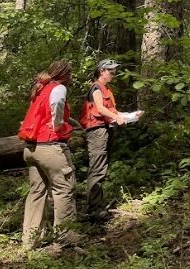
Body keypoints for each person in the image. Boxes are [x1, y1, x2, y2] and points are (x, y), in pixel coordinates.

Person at [19, 60, 80, 250]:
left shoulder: (41, 89)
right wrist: (59, 124)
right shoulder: (58, 88)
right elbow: (57, 104)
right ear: (64, 74)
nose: (71, 77)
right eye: (69, 74)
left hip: (31, 148)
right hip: (50, 147)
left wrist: (68, 119)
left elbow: (43, 111)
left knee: (36, 192)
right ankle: (65, 239)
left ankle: (30, 241)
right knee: (64, 189)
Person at [80, 59, 136, 221]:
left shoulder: (107, 89)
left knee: (101, 167)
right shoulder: (96, 88)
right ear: (101, 71)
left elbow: (112, 111)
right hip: (97, 132)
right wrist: (116, 118)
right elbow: (100, 108)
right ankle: (93, 210)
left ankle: (96, 206)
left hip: (105, 130)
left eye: (114, 71)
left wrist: (128, 116)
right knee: (97, 168)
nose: (113, 74)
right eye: (110, 71)